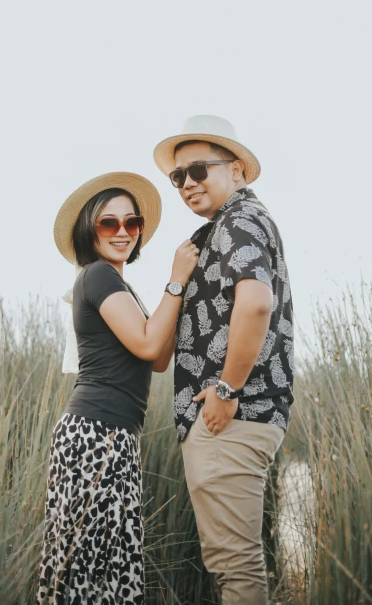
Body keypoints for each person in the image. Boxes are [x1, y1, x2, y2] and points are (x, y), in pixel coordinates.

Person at [36, 171, 198, 604]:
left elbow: (159, 358)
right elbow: (148, 342)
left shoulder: (122, 285)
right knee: (88, 568)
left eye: (132, 222)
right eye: (109, 223)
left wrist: (179, 295)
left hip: (117, 436)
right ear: (90, 230)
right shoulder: (97, 276)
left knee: (107, 566)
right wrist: (176, 278)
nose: (123, 232)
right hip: (94, 435)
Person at [153, 115, 294, 605]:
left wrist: (228, 391)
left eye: (199, 171)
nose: (187, 184)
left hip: (231, 418)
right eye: (178, 177)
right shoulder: (230, 226)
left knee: (236, 569)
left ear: (235, 170)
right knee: (237, 564)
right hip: (240, 417)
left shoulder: (238, 221)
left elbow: (256, 304)